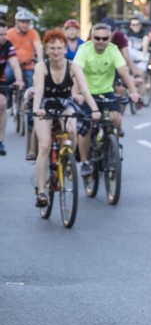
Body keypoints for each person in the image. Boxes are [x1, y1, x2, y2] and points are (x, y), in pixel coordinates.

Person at [31, 28, 101, 207]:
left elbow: (85, 90)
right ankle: (41, 191)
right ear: (46, 49)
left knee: (72, 129)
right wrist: (36, 108)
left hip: (65, 103)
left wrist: (94, 109)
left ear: (65, 49)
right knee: (45, 145)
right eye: (52, 48)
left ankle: (68, 161)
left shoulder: (73, 66)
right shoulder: (42, 66)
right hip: (45, 104)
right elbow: (38, 90)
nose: (56, 52)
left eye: (59, 48)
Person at [73, 22, 139, 177]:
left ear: (109, 38)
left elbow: (123, 72)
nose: (101, 41)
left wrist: (134, 92)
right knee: (85, 127)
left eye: (105, 38)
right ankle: (84, 162)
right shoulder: (84, 50)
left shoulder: (113, 50)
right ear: (92, 37)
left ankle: (110, 148)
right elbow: (77, 72)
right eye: (97, 38)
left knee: (116, 119)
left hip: (107, 93)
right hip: (88, 94)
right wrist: (77, 94)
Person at [7, 9, 43, 160]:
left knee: (30, 86)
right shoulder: (9, 33)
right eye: (22, 22)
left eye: (27, 22)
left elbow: (39, 47)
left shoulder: (33, 33)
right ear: (17, 22)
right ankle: (8, 98)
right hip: (12, 64)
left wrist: (40, 61)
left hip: (28, 65)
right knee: (6, 79)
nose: (25, 24)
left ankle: (29, 117)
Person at [0, 20, 26, 156]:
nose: (4, 37)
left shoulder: (8, 46)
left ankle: (0, 141)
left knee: (2, 104)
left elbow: (15, 64)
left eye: (5, 34)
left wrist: (19, 80)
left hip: (1, 80)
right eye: (0, 35)